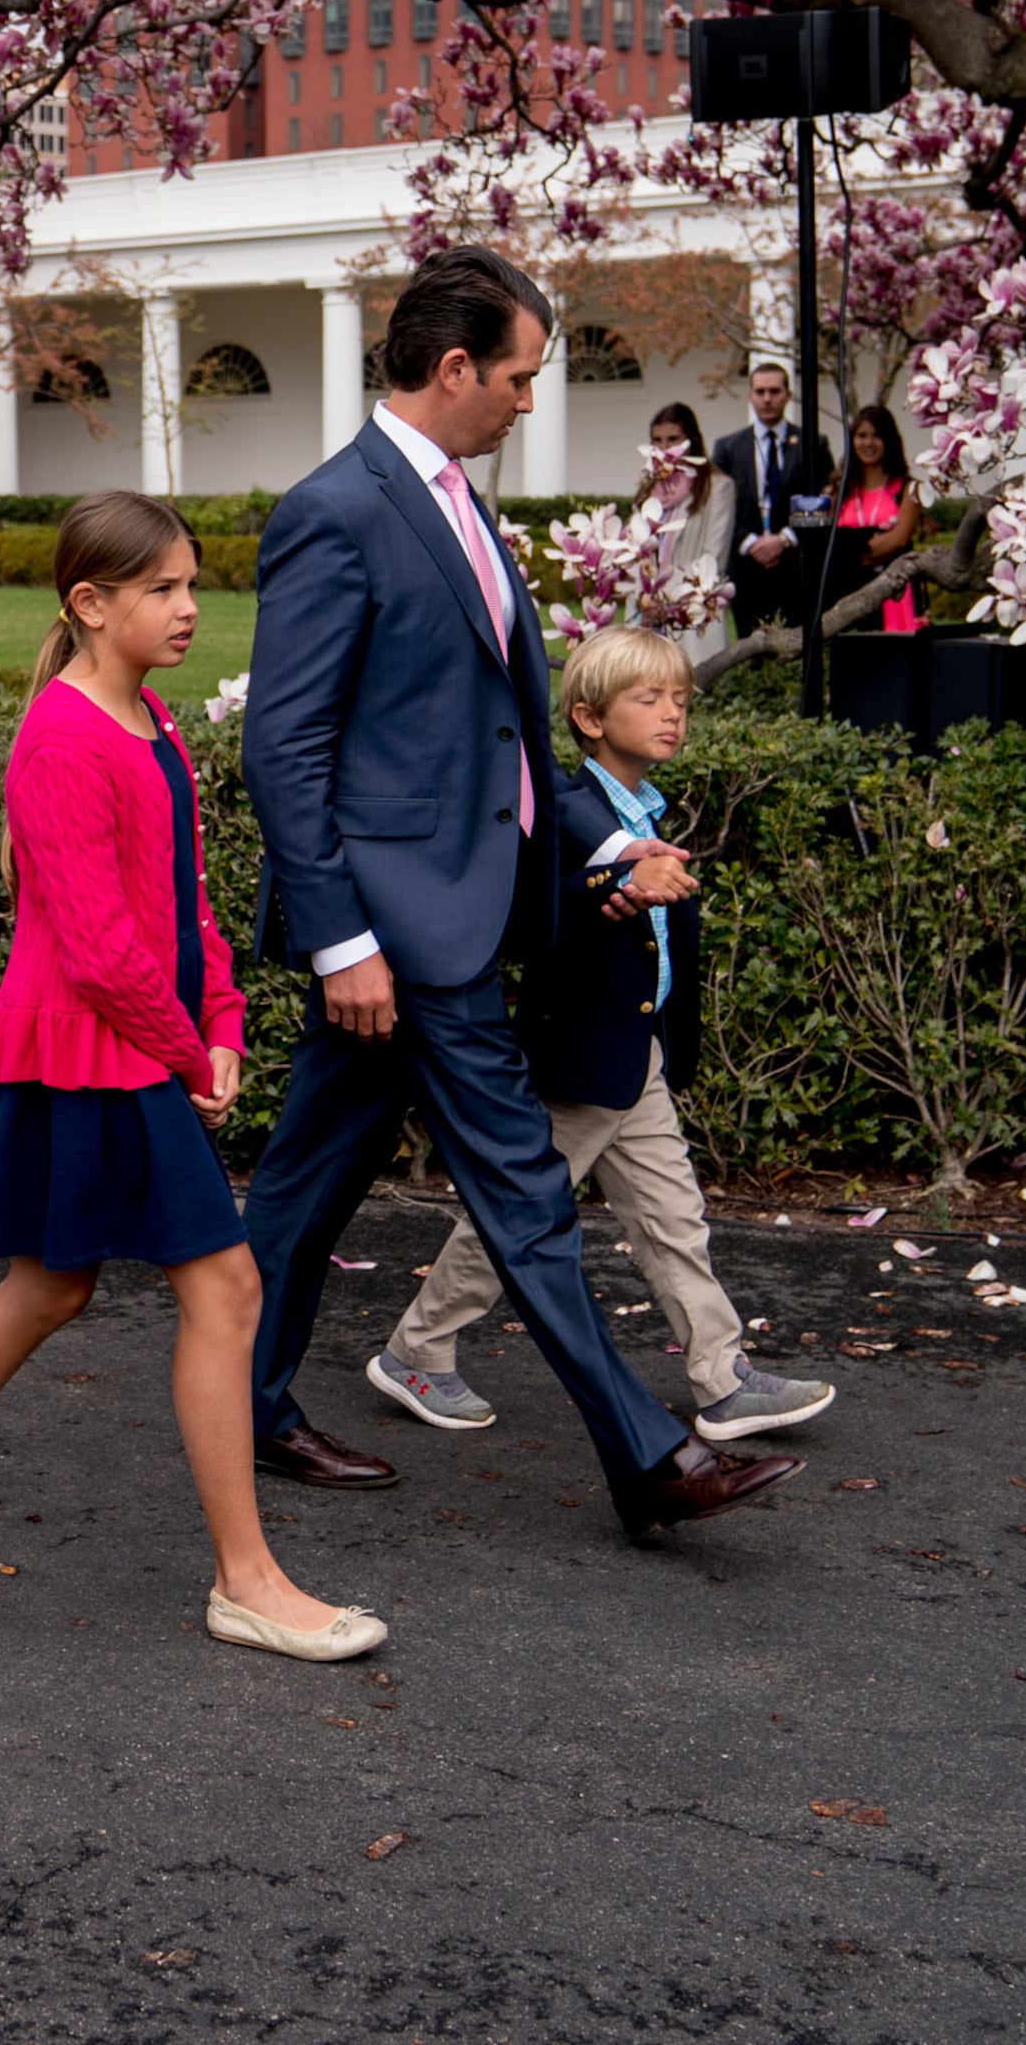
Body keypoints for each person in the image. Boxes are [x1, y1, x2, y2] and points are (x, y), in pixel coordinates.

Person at [234, 246, 803, 1544]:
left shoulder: (454, 503)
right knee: (528, 1194)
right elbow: (288, 748)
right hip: (398, 941)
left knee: (304, 1192)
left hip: (446, 921)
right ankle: (650, 1458)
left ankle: (248, 1406)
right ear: (452, 369)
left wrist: (595, 858)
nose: (530, 399)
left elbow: (490, 744)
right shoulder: (340, 510)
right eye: (521, 376)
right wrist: (341, 943)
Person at [0, 495, 386, 1662]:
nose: (190, 608)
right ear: (90, 603)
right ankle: (246, 1580)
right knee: (223, 1288)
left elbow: (183, 901)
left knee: (52, 1285)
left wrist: (223, 1017)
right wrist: (190, 1051)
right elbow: (96, 947)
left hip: (128, 1049)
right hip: (86, 1054)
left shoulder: (149, 724)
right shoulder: (63, 736)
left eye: (194, 584)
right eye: (163, 589)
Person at [369, 627, 838, 1446]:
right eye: (648, 699)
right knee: (519, 1211)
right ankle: (416, 1350)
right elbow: (534, 912)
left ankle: (722, 1378)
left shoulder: (642, 809)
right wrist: (614, 883)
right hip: (579, 1057)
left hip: (634, 1051)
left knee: (673, 1217)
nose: (671, 715)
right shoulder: (564, 806)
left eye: (681, 700)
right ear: (588, 718)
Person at [715, 362, 831, 640]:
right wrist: (750, 543)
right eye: (761, 391)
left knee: (796, 648)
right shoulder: (728, 448)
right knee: (749, 650)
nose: (767, 399)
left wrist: (785, 539)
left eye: (775, 391)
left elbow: (823, 502)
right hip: (746, 569)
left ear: (788, 395)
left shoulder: (812, 443)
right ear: (750, 396)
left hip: (795, 567)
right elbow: (719, 508)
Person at [639, 402, 736, 669]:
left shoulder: (717, 487)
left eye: (673, 439)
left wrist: (668, 601)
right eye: (657, 441)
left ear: (691, 440)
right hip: (648, 612)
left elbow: (713, 558)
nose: (665, 448)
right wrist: (645, 598)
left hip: (691, 614)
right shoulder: (650, 488)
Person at [832, 402, 924, 633]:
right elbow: (830, 542)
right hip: (847, 591)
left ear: (889, 440)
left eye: (876, 436)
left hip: (894, 590)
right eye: (861, 436)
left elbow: (899, 539)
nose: (868, 443)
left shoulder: (909, 488)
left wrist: (848, 554)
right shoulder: (839, 490)